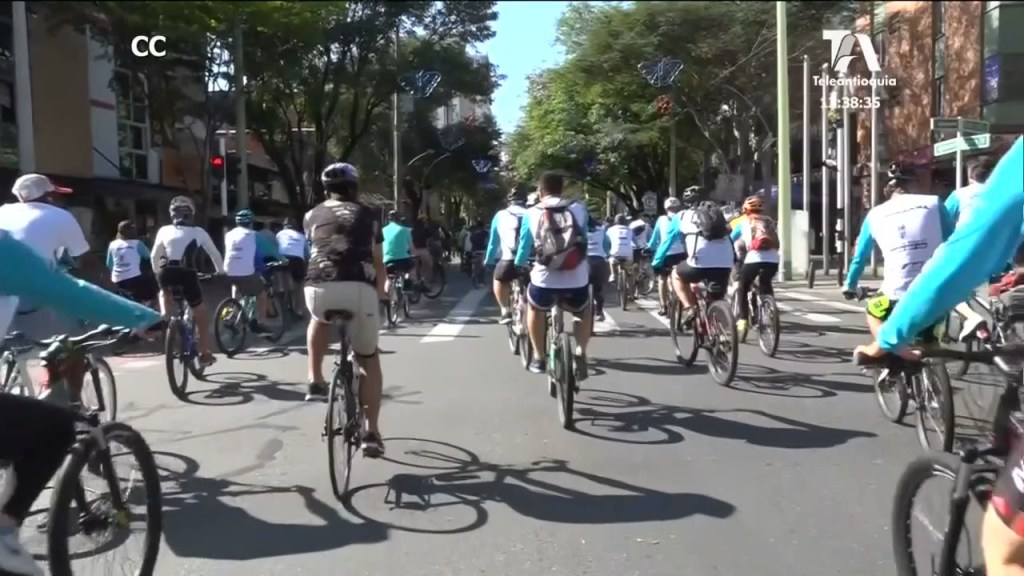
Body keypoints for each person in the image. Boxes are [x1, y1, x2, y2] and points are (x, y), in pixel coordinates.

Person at [841, 138, 1024, 575]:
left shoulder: (876, 213)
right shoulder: (936, 204)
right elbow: (946, 233)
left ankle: (895, 349)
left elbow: (964, 249)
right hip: (969, 285)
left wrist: (886, 333)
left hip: (909, 292)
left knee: (1005, 552)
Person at [0, 229, 163, 576]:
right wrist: (144, 317)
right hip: (54, 312)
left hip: (26, 322)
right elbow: (66, 290)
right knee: (55, 428)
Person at [303, 162, 388, 456]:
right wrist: (382, 293)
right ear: (355, 187)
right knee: (368, 358)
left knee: (318, 319)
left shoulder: (311, 214)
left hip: (318, 287)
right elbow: (378, 262)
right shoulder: (370, 215)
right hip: (359, 288)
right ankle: (371, 432)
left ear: (326, 190)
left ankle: (314, 379)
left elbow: (314, 248)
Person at [843, 165, 953, 344]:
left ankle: (887, 350)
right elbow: (953, 241)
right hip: (935, 294)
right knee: (931, 333)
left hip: (894, 295)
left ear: (888, 190)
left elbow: (860, 257)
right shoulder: (934, 203)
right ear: (914, 185)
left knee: (874, 312)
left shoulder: (874, 215)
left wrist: (850, 285)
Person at [513, 171, 593, 377]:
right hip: (576, 277)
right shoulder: (578, 209)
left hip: (544, 279)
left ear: (541, 191)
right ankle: (581, 353)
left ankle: (539, 358)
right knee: (583, 311)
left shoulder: (531, 213)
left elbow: (525, 246)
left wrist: (519, 264)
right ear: (561, 188)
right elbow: (583, 238)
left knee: (535, 308)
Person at [0, 174, 91, 343]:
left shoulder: (3, 211)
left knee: (12, 345)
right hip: (34, 292)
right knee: (72, 339)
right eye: (56, 194)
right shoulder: (61, 216)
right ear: (48, 196)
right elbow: (83, 259)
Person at [150, 196, 225, 366]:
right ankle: (204, 352)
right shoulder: (199, 232)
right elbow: (215, 254)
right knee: (200, 310)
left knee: (164, 291)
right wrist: (220, 271)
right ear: (191, 214)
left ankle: (166, 318)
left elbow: (154, 255)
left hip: (166, 272)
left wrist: (157, 271)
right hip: (187, 274)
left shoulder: (163, 230)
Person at [653, 199, 734, 325]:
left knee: (676, 275)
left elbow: (667, 241)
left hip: (699, 262)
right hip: (725, 262)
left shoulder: (682, 216)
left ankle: (689, 309)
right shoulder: (719, 218)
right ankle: (722, 335)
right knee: (715, 299)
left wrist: (657, 262)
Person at [945, 156, 998, 340]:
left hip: (968, 250)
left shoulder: (959, 195)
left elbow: (943, 221)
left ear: (970, 176)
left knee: (950, 288)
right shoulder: (1004, 192)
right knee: (1000, 289)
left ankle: (974, 319)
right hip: (1004, 249)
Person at [729, 196, 780, 337]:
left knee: (743, 288)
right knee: (765, 282)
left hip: (753, 259)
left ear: (745, 210)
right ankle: (769, 309)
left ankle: (743, 319)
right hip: (773, 260)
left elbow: (730, 240)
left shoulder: (743, 223)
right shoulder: (769, 221)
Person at [224, 209, 273, 333]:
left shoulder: (228, 234)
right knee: (261, 294)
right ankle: (262, 321)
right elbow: (269, 251)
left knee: (237, 285)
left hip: (228, 270)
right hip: (246, 271)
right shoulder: (255, 235)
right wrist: (282, 260)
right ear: (251, 223)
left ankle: (233, 313)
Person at [484, 191, 528, 323]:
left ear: (508, 202)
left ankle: (505, 311)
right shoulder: (532, 213)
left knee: (499, 278)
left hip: (509, 259)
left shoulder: (500, 215)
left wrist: (489, 260)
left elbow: (493, 243)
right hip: (531, 261)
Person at [646, 197, 688, 316]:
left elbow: (655, 238)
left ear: (666, 208)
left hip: (665, 254)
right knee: (683, 278)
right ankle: (684, 302)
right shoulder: (683, 219)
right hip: (681, 253)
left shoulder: (661, 219)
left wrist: (649, 247)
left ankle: (663, 306)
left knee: (661, 279)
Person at [277, 217, 310, 315]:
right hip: (297, 260)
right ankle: (298, 310)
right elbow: (307, 254)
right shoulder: (301, 236)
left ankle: (282, 295)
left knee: (280, 278)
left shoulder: (278, 234)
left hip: (282, 259)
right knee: (300, 284)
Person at [382, 210, 416, 296]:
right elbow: (411, 247)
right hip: (403, 260)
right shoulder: (405, 230)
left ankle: (385, 299)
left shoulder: (382, 231)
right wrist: (414, 254)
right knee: (411, 270)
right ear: (399, 220)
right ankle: (408, 285)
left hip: (388, 260)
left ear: (388, 220)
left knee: (388, 279)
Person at [585, 216, 612, 322]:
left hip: (584, 262)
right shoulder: (602, 231)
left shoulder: (579, 230)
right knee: (599, 288)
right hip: (599, 261)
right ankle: (599, 311)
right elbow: (607, 245)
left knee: (580, 286)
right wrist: (608, 254)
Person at [606, 214, 636, 284]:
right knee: (630, 274)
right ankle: (632, 294)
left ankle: (613, 274)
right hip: (628, 254)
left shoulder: (610, 230)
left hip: (615, 253)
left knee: (611, 260)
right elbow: (635, 241)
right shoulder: (630, 230)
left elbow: (606, 241)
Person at [410, 216, 435, 285]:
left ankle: (414, 281)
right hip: (423, 250)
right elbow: (431, 235)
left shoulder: (412, 231)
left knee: (414, 267)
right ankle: (426, 280)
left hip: (414, 250)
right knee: (429, 264)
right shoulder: (424, 229)